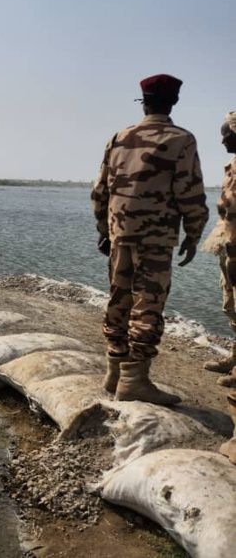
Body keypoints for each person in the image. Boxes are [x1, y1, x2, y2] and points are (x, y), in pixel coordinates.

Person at [91, 74, 208, 405]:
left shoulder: (119, 137)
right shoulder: (181, 140)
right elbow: (189, 190)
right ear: (174, 102)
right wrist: (194, 232)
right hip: (155, 238)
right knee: (148, 304)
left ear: (143, 101)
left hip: (120, 233)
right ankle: (134, 380)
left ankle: (114, 373)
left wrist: (104, 229)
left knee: (118, 298)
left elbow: (100, 190)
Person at [203, 111, 236, 387]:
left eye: (226, 135)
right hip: (229, 244)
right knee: (231, 305)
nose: (223, 141)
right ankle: (235, 359)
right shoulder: (232, 164)